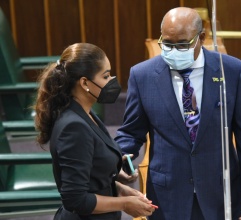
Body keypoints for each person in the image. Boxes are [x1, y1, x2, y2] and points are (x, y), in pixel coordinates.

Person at [115, 7, 241, 220]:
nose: (174, 50)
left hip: (219, 194)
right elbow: (131, 132)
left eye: (182, 44)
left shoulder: (232, 72)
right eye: (167, 44)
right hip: (168, 197)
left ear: (201, 38)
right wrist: (121, 157)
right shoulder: (143, 76)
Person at [34, 43, 155, 220]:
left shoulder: (86, 113)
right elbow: (76, 199)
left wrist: (119, 187)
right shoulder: (73, 127)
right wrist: (125, 203)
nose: (112, 81)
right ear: (84, 83)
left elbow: (90, 173)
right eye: (106, 76)